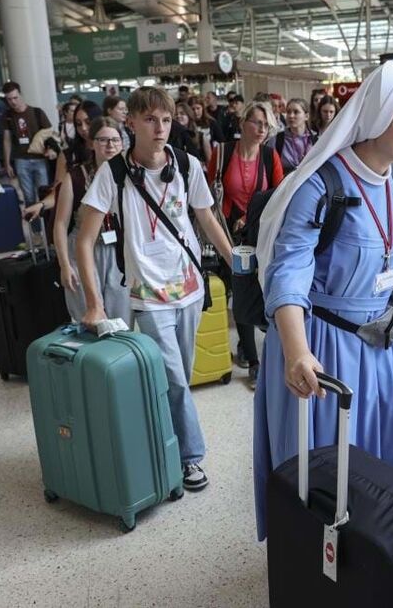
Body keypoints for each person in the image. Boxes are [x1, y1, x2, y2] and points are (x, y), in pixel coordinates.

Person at [252, 62, 393, 540]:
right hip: (326, 353)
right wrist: (296, 352)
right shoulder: (320, 186)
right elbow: (287, 272)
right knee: (329, 476)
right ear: (379, 116)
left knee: (389, 464)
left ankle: (380, 560)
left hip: (379, 348)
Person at [77, 87, 235, 491]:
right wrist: (94, 304)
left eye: (165, 120)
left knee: (176, 375)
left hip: (190, 288)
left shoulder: (186, 165)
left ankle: (165, 438)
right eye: (150, 120)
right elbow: (84, 239)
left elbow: (206, 219)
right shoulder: (112, 174)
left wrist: (236, 262)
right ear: (131, 123)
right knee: (176, 378)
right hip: (147, 296)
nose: (160, 128)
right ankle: (190, 457)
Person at [208, 102, 284, 389]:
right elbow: (212, 190)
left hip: (260, 232)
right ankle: (253, 361)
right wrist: (233, 219)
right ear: (242, 123)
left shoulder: (269, 155)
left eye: (266, 124)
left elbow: (278, 195)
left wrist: (252, 219)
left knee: (260, 288)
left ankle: (258, 346)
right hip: (230, 233)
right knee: (240, 289)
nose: (262, 129)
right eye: (257, 122)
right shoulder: (223, 152)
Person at [54, 117, 130, 324]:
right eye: (103, 140)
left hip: (118, 248)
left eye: (115, 140)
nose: (110, 145)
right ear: (92, 143)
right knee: (87, 315)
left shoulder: (129, 175)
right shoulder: (76, 176)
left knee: (122, 316)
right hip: (82, 248)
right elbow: (60, 224)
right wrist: (64, 264)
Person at [24, 101, 102, 223]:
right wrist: (42, 204)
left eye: (88, 122)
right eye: (78, 124)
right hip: (80, 218)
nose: (84, 128)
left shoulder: (111, 149)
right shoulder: (68, 155)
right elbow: (59, 190)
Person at [1, 82, 53, 209]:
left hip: (39, 158)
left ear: (20, 95)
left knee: (44, 195)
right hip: (21, 159)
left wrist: (50, 149)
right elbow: (6, 140)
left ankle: (47, 227)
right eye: (9, 99)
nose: (13, 102)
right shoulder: (7, 116)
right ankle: (35, 229)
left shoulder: (36, 112)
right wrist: (7, 163)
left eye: (15, 97)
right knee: (28, 196)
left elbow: (49, 134)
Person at [269, 98, 317, 175]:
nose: (291, 116)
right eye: (288, 112)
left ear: (306, 116)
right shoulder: (276, 140)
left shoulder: (316, 140)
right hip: (284, 184)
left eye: (296, 112)